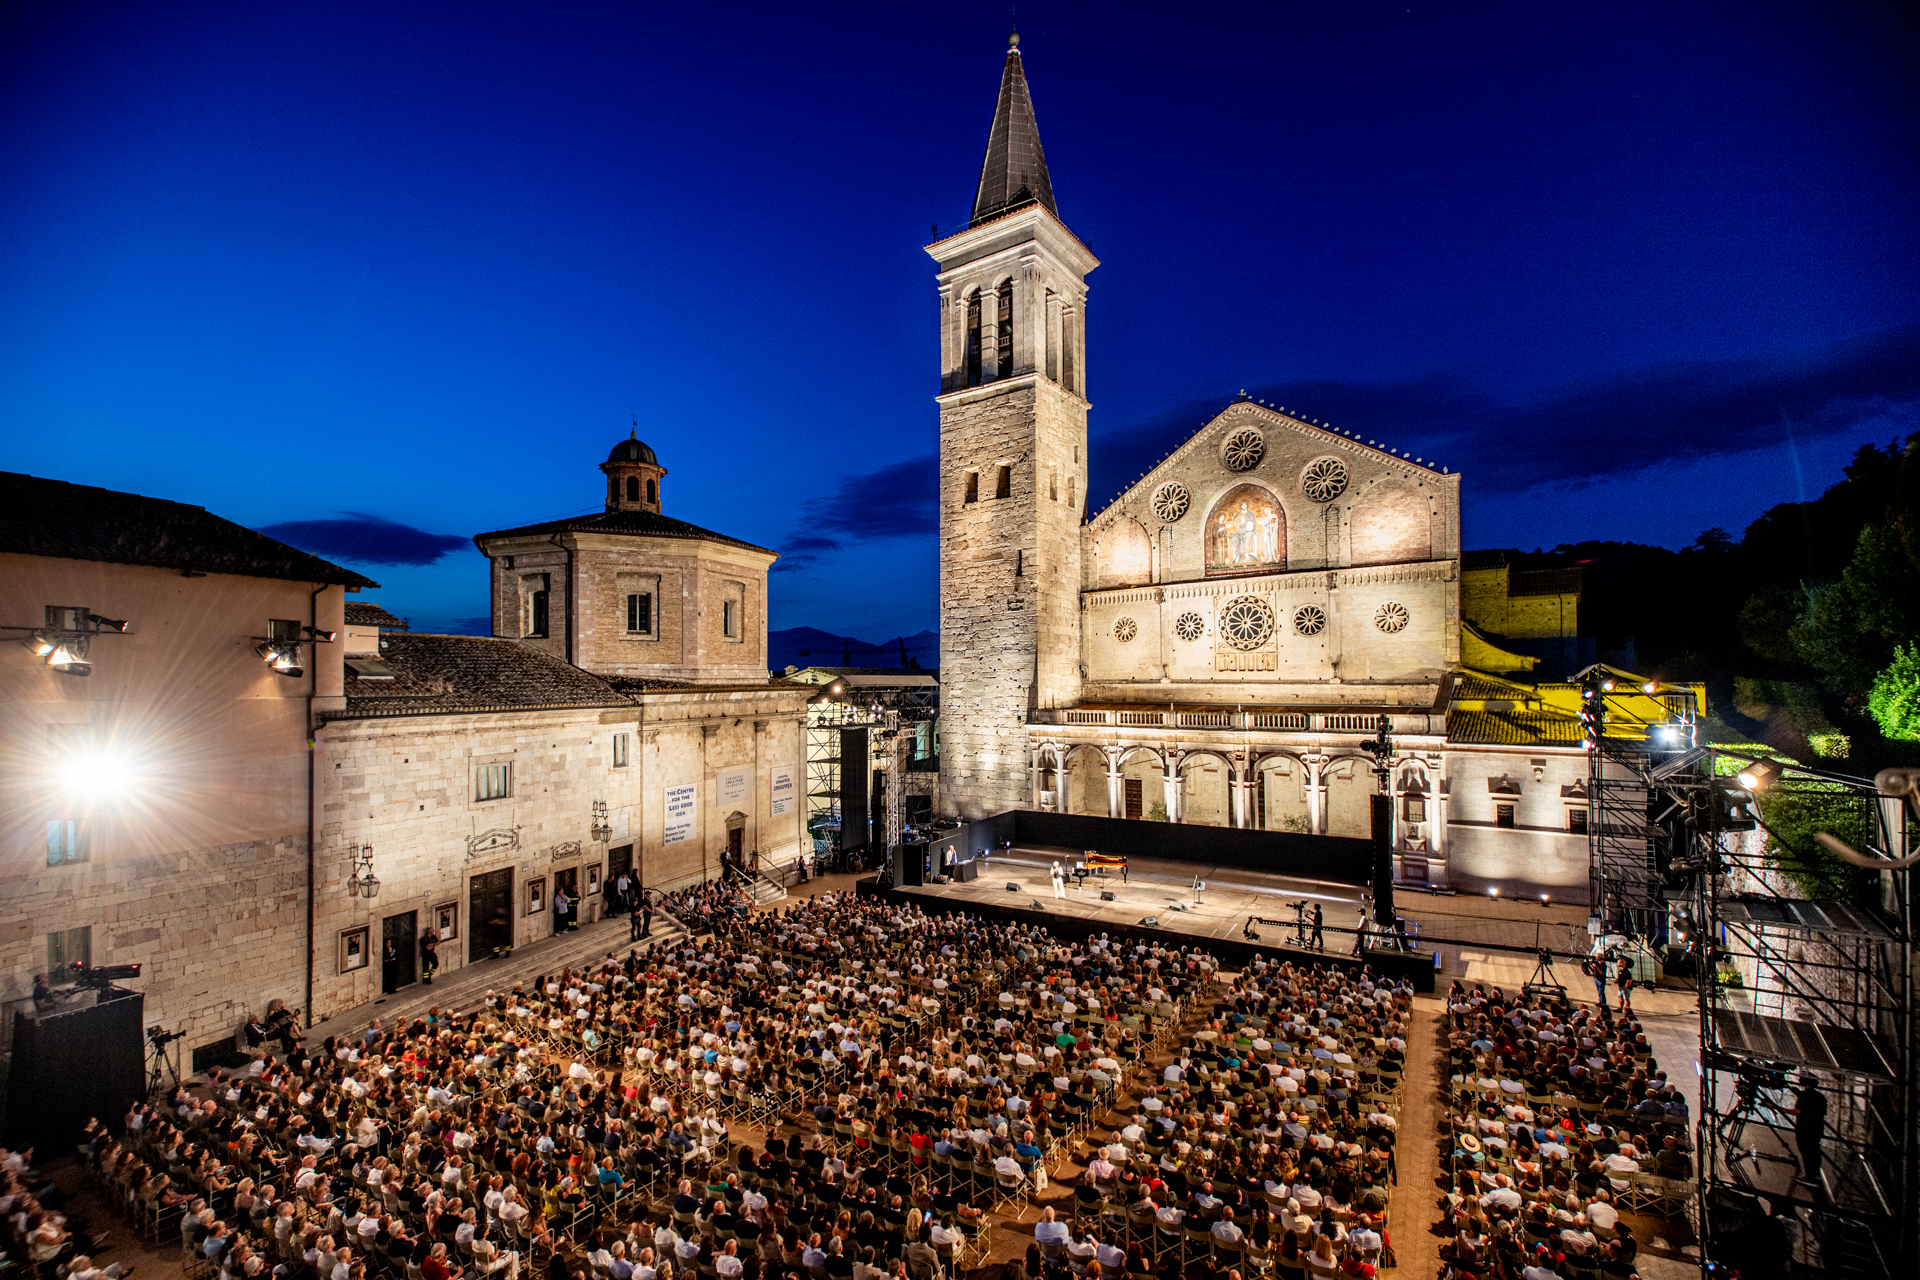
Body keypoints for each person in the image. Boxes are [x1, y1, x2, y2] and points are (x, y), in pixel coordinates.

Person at [1788, 1073, 1827, 1188]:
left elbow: (1796, 1112)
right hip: (1817, 1129)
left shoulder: (1804, 1097)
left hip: (1804, 1129)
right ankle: (1816, 1174)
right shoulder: (1820, 1097)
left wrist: (1776, 1107)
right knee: (1815, 1151)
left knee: (1806, 1152)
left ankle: (1810, 1178)